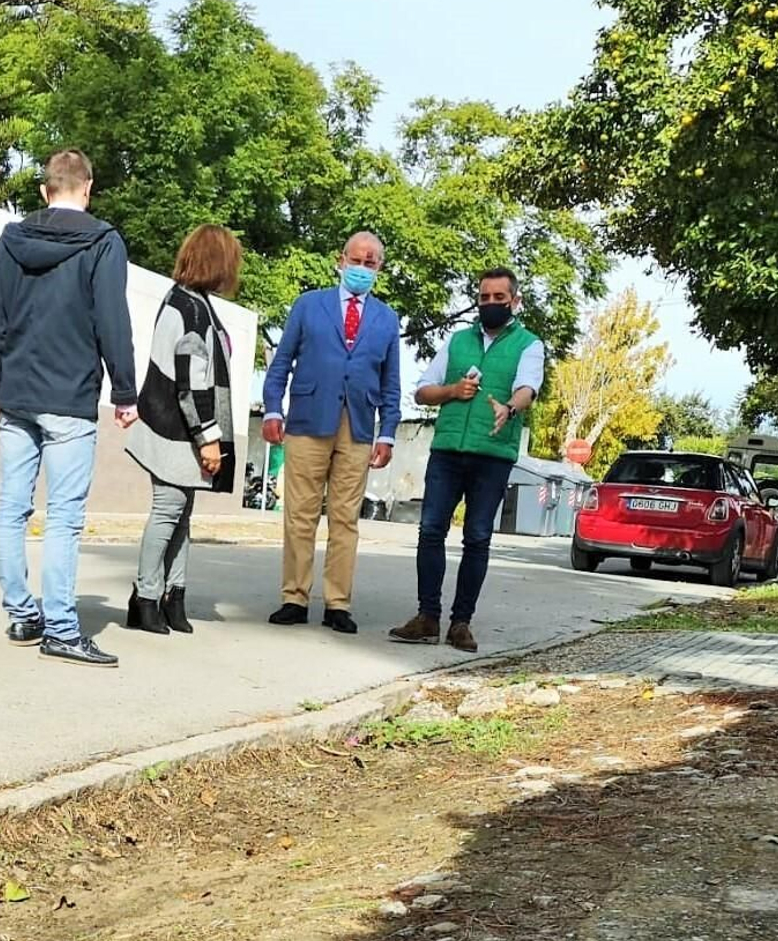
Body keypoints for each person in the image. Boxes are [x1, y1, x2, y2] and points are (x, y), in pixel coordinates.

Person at [0, 149, 138, 668]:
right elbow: (112, 319)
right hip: (69, 398)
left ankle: (24, 614)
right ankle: (63, 630)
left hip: (18, 393)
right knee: (64, 518)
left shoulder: (12, 238)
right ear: (87, 188)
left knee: (11, 507)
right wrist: (125, 391)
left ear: (46, 191)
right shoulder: (103, 241)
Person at [389, 267, 545, 653]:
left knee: (477, 537)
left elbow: (528, 388)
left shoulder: (528, 344)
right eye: (485, 297)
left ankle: (461, 623)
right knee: (430, 533)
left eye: (499, 298)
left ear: (515, 301)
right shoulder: (458, 341)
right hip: (447, 452)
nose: (491, 304)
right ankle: (428, 617)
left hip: (492, 456)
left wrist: (509, 407)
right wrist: (452, 390)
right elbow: (423, 392)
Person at [260, 232, 403, 634]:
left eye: (370, 263)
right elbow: (282, 363)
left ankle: (338, 603)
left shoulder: (386, 319)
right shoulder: (309, 305)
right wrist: (273, 407)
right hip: (307, 418)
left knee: (345, 519)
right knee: (300, 514)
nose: (361, 268)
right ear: (341, 261)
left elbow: (391, 381)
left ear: (379, 269)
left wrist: (388, 432)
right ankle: (294, 597)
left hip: (358, 426)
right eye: (356, 260)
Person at [123, 225, 242, 635]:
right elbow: (191, 382)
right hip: (177, 430)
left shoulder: (193, 302)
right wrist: (207, 437)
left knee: (180, 513)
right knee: (168, 511)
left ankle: (172, 595)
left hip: (177, 428)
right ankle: (146, 597)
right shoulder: (190, 308)